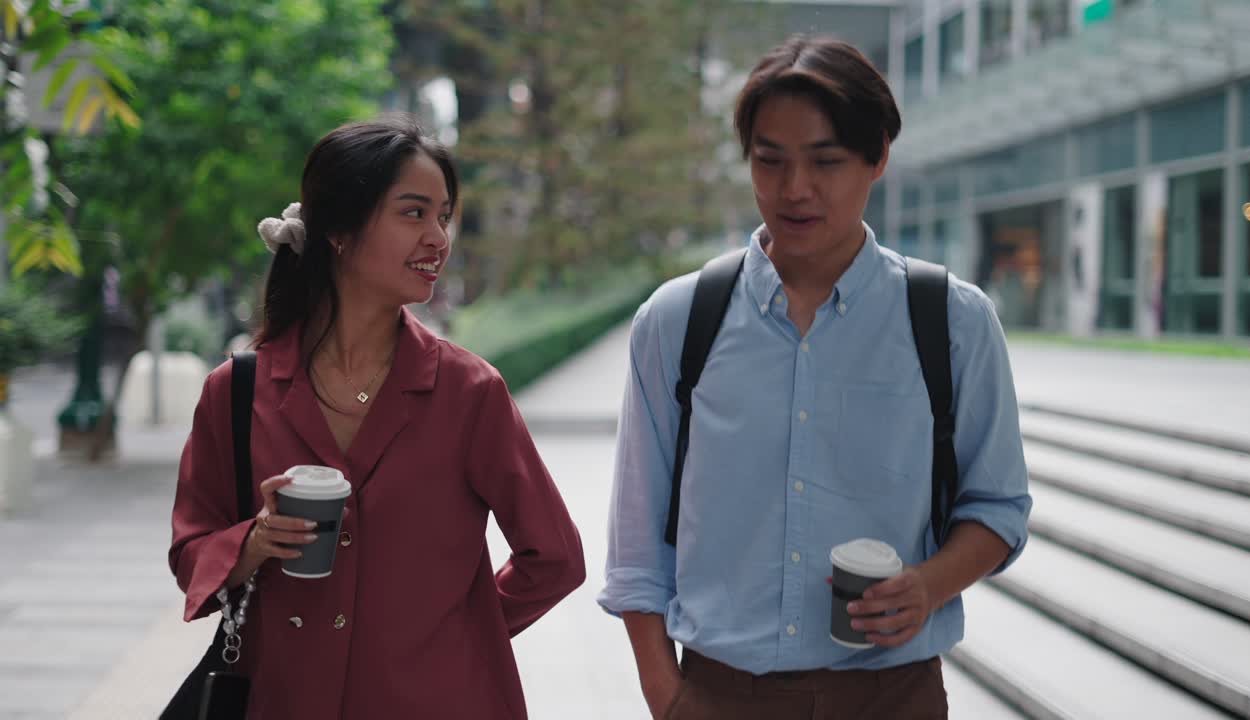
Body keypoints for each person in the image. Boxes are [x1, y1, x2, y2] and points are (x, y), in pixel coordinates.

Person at [598, 36, 1032, 719]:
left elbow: (998, 505)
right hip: (718, 694)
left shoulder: (952, 321)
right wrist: (668, 697)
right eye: (769, 160)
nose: (794, 189)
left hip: (893, 697)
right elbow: (636, 539)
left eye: (825, 161)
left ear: (877, 157)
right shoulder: (678, 321)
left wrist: (929, 584)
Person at [169, 116, 586, 719]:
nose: (438, 238)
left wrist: (459, 642)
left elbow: (556, 558)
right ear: (340, 230)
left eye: (444, 216)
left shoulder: (470, 392)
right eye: (414, 213)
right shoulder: (235, 392)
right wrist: (255, 542)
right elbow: (191, 555)